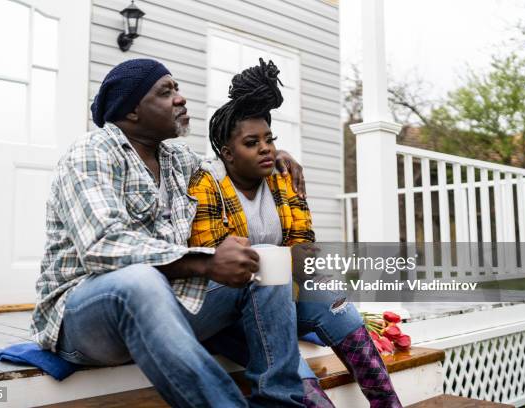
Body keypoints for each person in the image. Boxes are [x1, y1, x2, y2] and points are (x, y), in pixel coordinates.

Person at [31, 58, 310, 407]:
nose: (180, 98)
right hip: (84, 319)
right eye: (166, 91)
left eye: (177, 88)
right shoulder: (91, 152)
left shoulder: (177, 158)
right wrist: (205, 263)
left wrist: (274, 152)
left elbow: (236, 159)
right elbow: (103, 245)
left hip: (168, 307)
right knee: (138, 280)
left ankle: (280, 400)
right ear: (132, 111)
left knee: (268, 264)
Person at [187, 58, 403, 408]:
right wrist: (286, 261)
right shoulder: (206, 185)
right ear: (227, 153)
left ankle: (387, 403)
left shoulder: (283, 178)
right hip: (229, 310)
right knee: (289, 356)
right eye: (252, 142)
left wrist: (292, 260)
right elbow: (219, 264)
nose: (266, 148)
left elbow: (305, 251)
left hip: (278, 297)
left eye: (270, 140)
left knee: (333, 300)